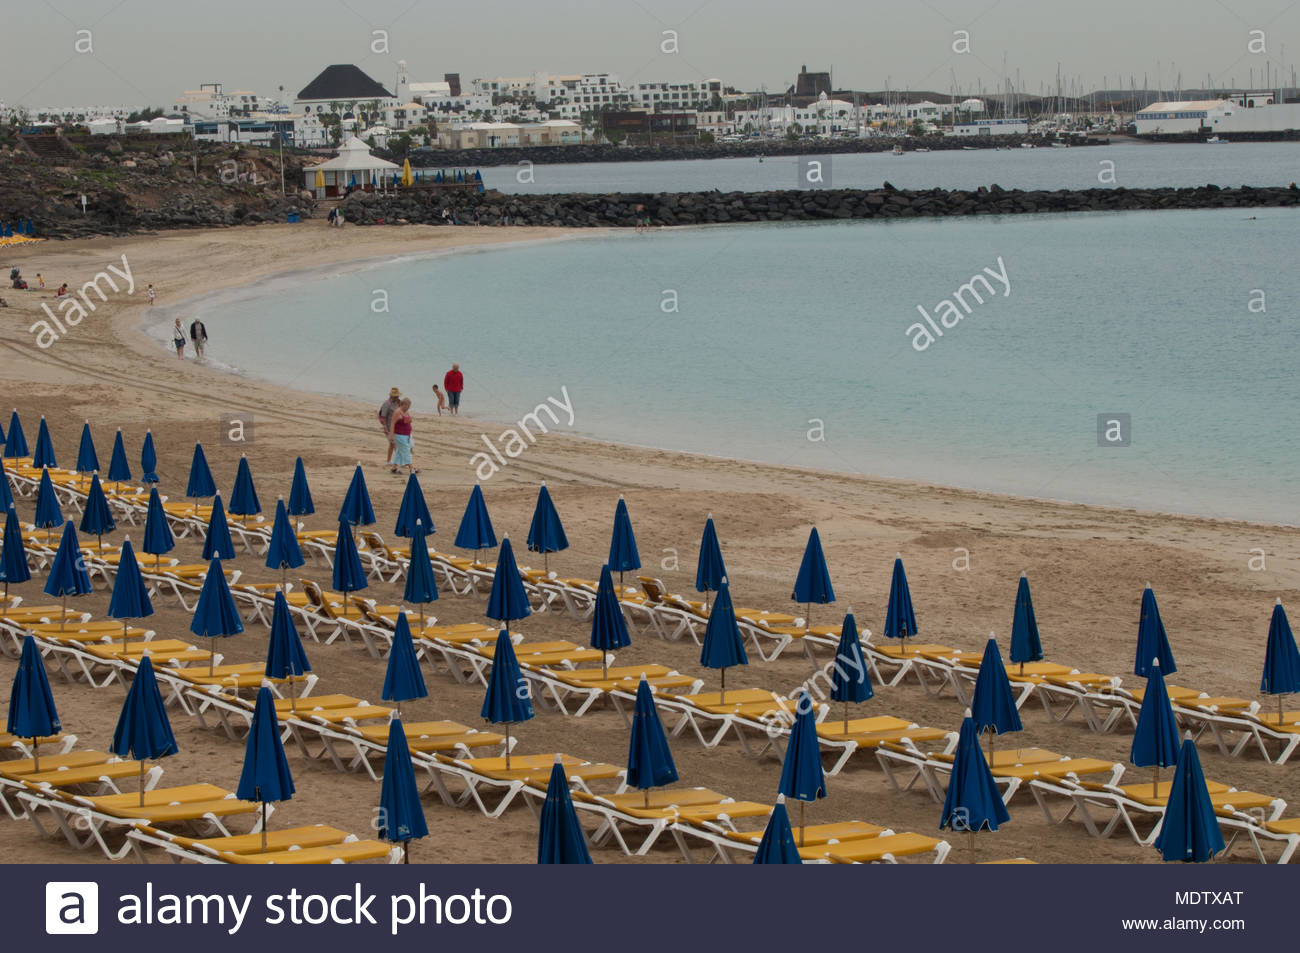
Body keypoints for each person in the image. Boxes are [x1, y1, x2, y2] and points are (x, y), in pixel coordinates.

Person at [389, 397, 416, 475]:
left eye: (409, 406)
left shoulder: (406, 411)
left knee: (399, 452)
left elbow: (409, 420)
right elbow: (392, 423)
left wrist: (408, 420)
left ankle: (394, 468)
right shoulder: (397, 412)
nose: (409, 407)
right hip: (399, 435)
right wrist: (391, 435)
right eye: (408, 406)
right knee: (406, 450)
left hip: (406, 435)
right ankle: (411, 468)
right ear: (403, 404)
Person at [378, 387, 401, 464]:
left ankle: (388, 461)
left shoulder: (399, 402)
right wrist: (385, 428)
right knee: (394, 444)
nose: (397, 397)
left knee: (392, 444)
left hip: (398, 427)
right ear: (391, 396)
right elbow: (383, 417)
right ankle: (400, 461)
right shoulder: (386, 404)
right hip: (389, 427)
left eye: (397, 396)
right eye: (395, 396)